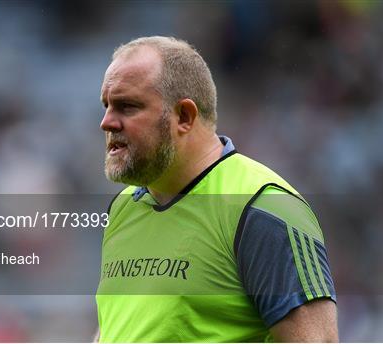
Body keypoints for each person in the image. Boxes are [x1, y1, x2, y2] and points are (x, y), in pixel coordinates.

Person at [95, 36, 337, 342]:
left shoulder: (264, 208)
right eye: (106, 106)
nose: (106, 122)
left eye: (127, 107)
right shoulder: (123, 207)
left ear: (184, 116)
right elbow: (116, 329)